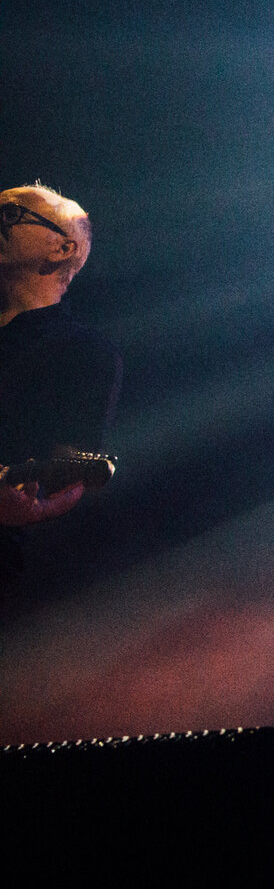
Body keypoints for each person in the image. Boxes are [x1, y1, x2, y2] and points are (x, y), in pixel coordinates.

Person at [1, 184, 122, 607]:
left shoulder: (82, 352)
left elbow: (70, 476)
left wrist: (28, 509)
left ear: (61, 247)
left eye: (11, 215)